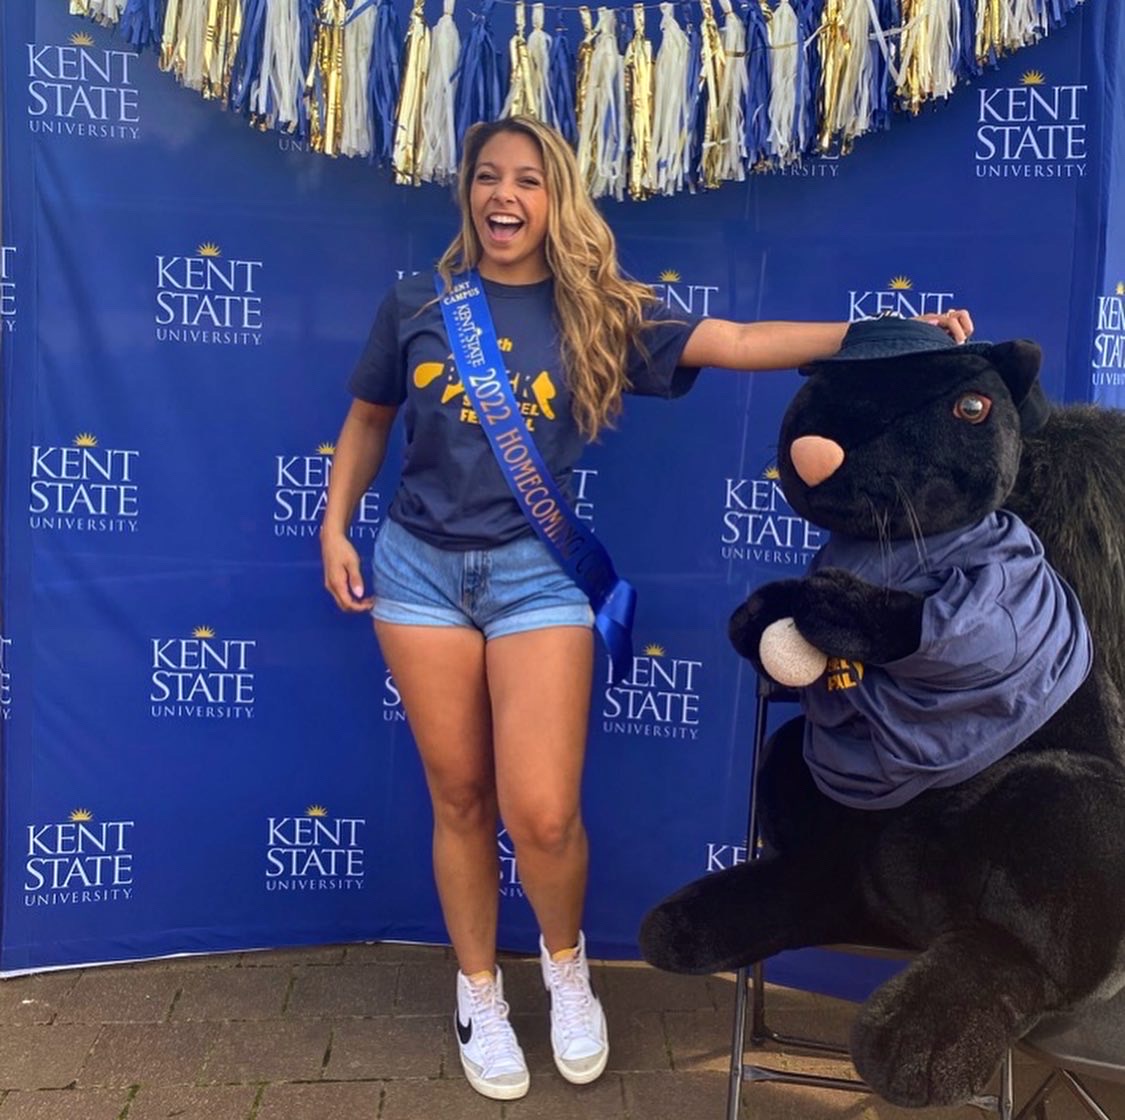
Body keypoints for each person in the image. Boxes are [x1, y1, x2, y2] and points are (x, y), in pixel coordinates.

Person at [319, 114, 974, 1102]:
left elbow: (744, 339)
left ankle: (566, 967)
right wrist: (335, 523)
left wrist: (885, 338)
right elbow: (368, 418)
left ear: (556, 199)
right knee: (459, 796)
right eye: (488, 177)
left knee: (541, 814)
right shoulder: (418, 301)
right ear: (468, 194)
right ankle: (478, 990)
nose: (504, 195)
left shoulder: (600, 310)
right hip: (418, 578)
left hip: (538, 577)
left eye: (528, 181)